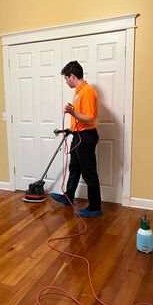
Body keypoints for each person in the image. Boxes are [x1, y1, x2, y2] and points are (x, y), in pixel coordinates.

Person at [51, 60, 102, 217]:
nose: (66, 82)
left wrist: (73, 113)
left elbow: (89, 119)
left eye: (66, 78)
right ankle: (68, 197)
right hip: (78, 135)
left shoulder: (86, 92)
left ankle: (95, 207)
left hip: (86, 136)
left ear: (72, 76)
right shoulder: (79, 92)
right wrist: (73, 114)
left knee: (89, 173)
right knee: (74, 168)